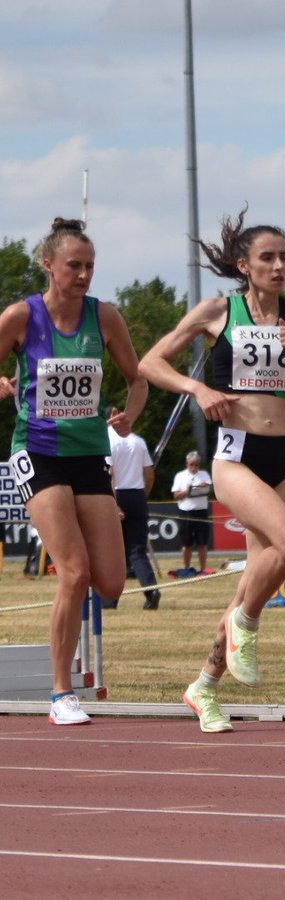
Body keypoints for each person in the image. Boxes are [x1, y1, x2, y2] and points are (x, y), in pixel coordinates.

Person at [139, 209, 285, 733]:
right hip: (235, 452)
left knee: (254, 577)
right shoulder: (217, 312)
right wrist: (199, 389)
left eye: (284, 257)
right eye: (267, 258)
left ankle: (204, 687)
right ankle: (245, 625)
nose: (279, 267)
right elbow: (151, 363)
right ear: (243, 265)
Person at [0, 217, 147, 725]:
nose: (83, 275)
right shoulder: (20, 317)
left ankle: (64, 686)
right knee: (75, 572)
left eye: (90, 266)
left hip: (88, 454)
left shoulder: (104, 318)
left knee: (110, 582)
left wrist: (130, 413)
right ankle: (62, 692)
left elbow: (138, 379)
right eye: (74, 266)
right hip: (37, 451)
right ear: (48, 265)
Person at [102, 425, 162, 610]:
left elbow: (109, 473)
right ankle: (151, 590)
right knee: (137, 549)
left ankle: (110, 599)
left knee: (114, 551)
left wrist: (113, 502)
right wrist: (144, 495)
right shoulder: (138, 441)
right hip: (137, 494)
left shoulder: (108, 441)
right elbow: (150, 474)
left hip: (118, 493)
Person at [171, 449, 213, 574]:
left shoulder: (204, 474)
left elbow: (209, 489)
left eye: (196, 464)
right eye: (191, 464)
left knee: (202, 543)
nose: (194, 467)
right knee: (186, 543)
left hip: (201, 511)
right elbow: (175, 495)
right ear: (187, 464)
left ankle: (203, 568)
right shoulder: (180, 476)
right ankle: (186, 568)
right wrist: (186, 492)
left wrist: (204, 487)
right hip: (186, 512)